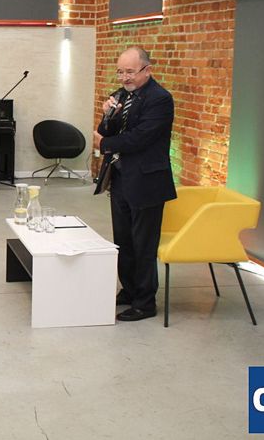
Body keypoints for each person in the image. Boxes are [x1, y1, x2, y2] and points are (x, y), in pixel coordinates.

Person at [93, 46, 176, 322]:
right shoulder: (120, 96)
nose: (124, 77)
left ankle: (145, 302)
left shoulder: (160, 99)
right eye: (120, 72)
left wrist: (105, 143)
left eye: (130, 71)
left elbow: (140, 138)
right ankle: (129, 290)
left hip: (147, 182)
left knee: (143, 244)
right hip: (120, 179)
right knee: (124, 241)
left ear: (147, 70)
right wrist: (107, 115)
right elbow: (104, 131)